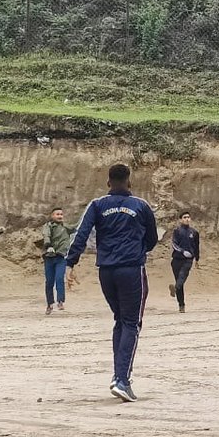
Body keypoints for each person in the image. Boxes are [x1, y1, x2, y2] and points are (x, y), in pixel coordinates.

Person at [65, 164, 158, 403]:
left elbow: (81, 234)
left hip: (106, 270)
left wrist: (70, 263)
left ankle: (119, 375)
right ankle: (122, 380)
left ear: (108, 183)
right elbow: (152, 239)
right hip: (131, 269)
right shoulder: (141, 205)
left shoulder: (97, 205)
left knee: (120, 320)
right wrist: (137, 250)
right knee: (131, 323)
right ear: (129, 182)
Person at [41, 207, 76, 315]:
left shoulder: (66, 227)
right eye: (57, 214)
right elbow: (46, 235)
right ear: (52, 216)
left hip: (61, 257)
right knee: (49, 282)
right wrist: (48, 245)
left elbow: (77, 227)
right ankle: (49, 304)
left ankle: (60, 301)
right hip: (49, 257)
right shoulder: (48, 226)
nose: (60, 216)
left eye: (61, 214)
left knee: (59, 278)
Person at [168, 212, 200, 313]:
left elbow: (196, 246)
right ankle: (181, 305)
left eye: (188, 217)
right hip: (177, 259)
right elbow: (174, 244)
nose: (187, 219)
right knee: (180, 282)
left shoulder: (194, 232)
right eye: (184, 217)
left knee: (182, 276)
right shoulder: (177, 231)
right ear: (180, 219)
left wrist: (197, 258)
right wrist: (182, 251)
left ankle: (175, 287)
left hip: (188, 259)